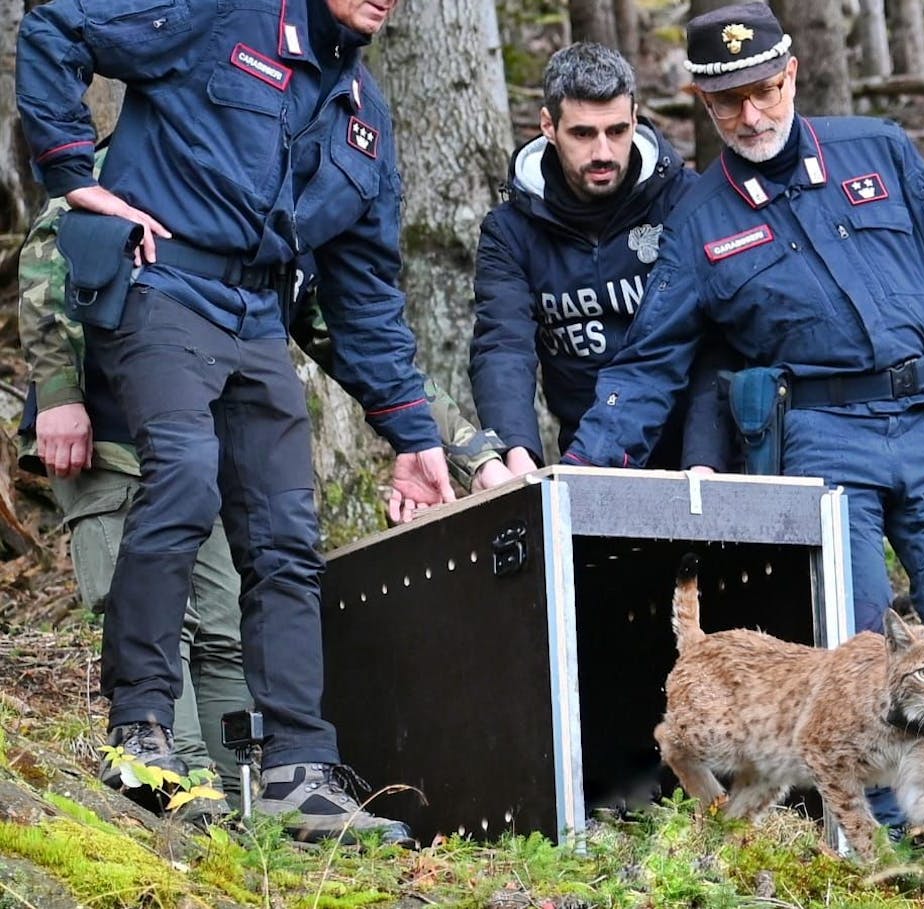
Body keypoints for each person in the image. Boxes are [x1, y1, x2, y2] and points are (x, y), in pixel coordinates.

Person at [561, 2, 924, 834]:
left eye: (766, 90)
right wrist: (581, 469)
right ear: (704, 103)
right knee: (859, 646)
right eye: (729, 100)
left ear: (792, 74)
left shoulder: (876, 148)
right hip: (821, 435)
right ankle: (876, 829)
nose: (753, 114)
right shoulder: (699, 219)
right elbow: (650, 361)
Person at [16, 0, 454, 842]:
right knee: (181, 474)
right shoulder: (224, 13)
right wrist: (77, 175)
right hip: (161, 285)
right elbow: (58, 27)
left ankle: (298, 767)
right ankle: (140, 728)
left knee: (289, 534)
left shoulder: (365, 118)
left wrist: (412, 433)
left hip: (257, 316)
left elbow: (362, 289)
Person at [15, 175, 514, 817]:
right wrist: (59, 394)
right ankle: (169, 789)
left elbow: (358, 345)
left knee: (225, 622)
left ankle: (237, 806)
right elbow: (52, 250)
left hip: (212, 441)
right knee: (153, 608)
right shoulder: (168, 143)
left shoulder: (290, 215)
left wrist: (471, 454)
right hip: (107, 433)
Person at [471, 42, 729, 473]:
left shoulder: (684, 200)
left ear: (634, 120)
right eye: (583, 134)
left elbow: (721, 338)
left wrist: (705, 461)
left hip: (696, 445)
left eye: (616, 131)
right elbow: (503, 345)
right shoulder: (511, 230)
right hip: (588, 454)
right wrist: (516, 453)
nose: (603, 153)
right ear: (548, 127)